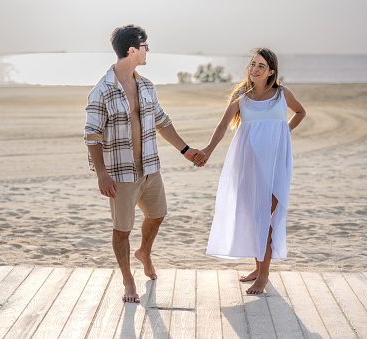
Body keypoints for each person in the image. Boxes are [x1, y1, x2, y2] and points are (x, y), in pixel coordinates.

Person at [84, 24, 203, 303]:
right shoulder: (101, 91)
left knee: (158, 214)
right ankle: (128, 281)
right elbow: (91, 135)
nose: (149, 50)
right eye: (145, 46)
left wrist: (185, 149)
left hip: (150, 166)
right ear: (132, 50)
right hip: (121, 172)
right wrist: (101, 173)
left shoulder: (147, 85)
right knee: (122, 229)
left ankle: (145, 252)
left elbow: (162, 121)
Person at [194, 48, 306, 294]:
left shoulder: (282, 94)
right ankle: (258, 269)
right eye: (253, 64)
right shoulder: (241, 95)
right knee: (256, 216)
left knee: (265, 217)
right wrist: (208, 150)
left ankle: (263, 276)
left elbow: (300, 112)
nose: (254, 69)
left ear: (271, 72)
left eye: (261, 66)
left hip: (276, 164)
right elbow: (223, 125)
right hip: (247, 163)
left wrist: (284, 132)